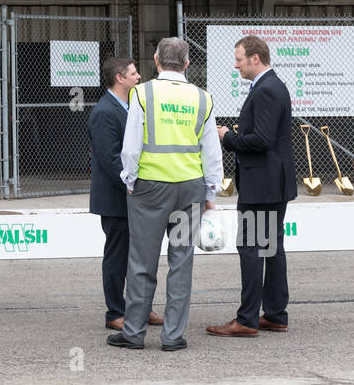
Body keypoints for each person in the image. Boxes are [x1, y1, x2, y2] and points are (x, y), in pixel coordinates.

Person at [110, 38, 222, 351]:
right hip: (190, 187)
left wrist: (129, 179)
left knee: (142, 261)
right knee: (181, 261)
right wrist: (211, 192)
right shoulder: (203, 98)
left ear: (157, 61)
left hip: (149, 186)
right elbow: (211, 151)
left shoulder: (142, 93)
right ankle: (173, 336)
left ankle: (133, 332)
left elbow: (131, 146)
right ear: (186, 64)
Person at [208, 34, 297, 338]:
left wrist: (226, 137)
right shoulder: (270, 86)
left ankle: (247, 319)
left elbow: (261, 140)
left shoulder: (267, 90)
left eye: (239, 60)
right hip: (271, 182)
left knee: (251, 247)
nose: (236, 66)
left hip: (263, 184)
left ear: (255, 58)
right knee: (271, 248)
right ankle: (274, 314)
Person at [89, 56, 163, 332]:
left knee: (139, 258)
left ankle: (141, 308)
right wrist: (136, 186)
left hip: (133, 197)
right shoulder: (105, 112)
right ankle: (115, 313)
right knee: (117, 258)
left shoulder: (130, 106)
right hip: (117, 200)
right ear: (120, 78)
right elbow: (111, 161)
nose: (138, 77)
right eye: (133, 73)